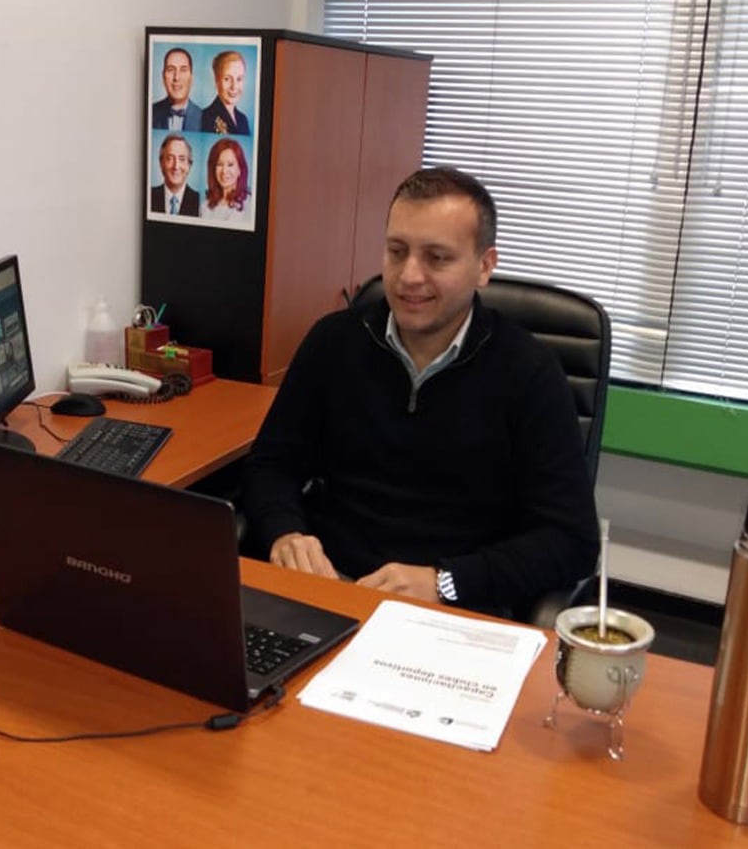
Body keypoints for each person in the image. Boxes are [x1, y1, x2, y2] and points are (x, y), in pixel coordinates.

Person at [240, 166, 600, 618]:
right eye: (397, 251)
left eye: (437, 258)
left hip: (450, 611)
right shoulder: (334, 342)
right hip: (328, 589)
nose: (409, 275)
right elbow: (272, 465)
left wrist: (445, 581)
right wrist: (285, 533)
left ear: (484, 266)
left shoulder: (528, 371)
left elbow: (571, 540)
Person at [151, 47, 202, 132]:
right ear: (163, 77)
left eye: (183, 70)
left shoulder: (204, 117)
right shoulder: (151, 112)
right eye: (171, 69)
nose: (176, 77)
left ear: (191, 77)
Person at [200, 50, 250, 135]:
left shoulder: (243, 119)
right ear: (216, 81)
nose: (234, 86)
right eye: (227, 79)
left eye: (239, 79)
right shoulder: (204, 118)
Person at [150, 133, 199, 217]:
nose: (176, 166)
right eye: (170, 158)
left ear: (189, 165)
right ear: (161, 163)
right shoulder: (150, 195)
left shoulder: (199, 201)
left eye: (182, 159)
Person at [201, 138, 251, 220]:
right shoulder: (205, 204)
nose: (224, 171)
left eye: (230, 164)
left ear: (240, 170)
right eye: (219, 164)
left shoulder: (250, 204)